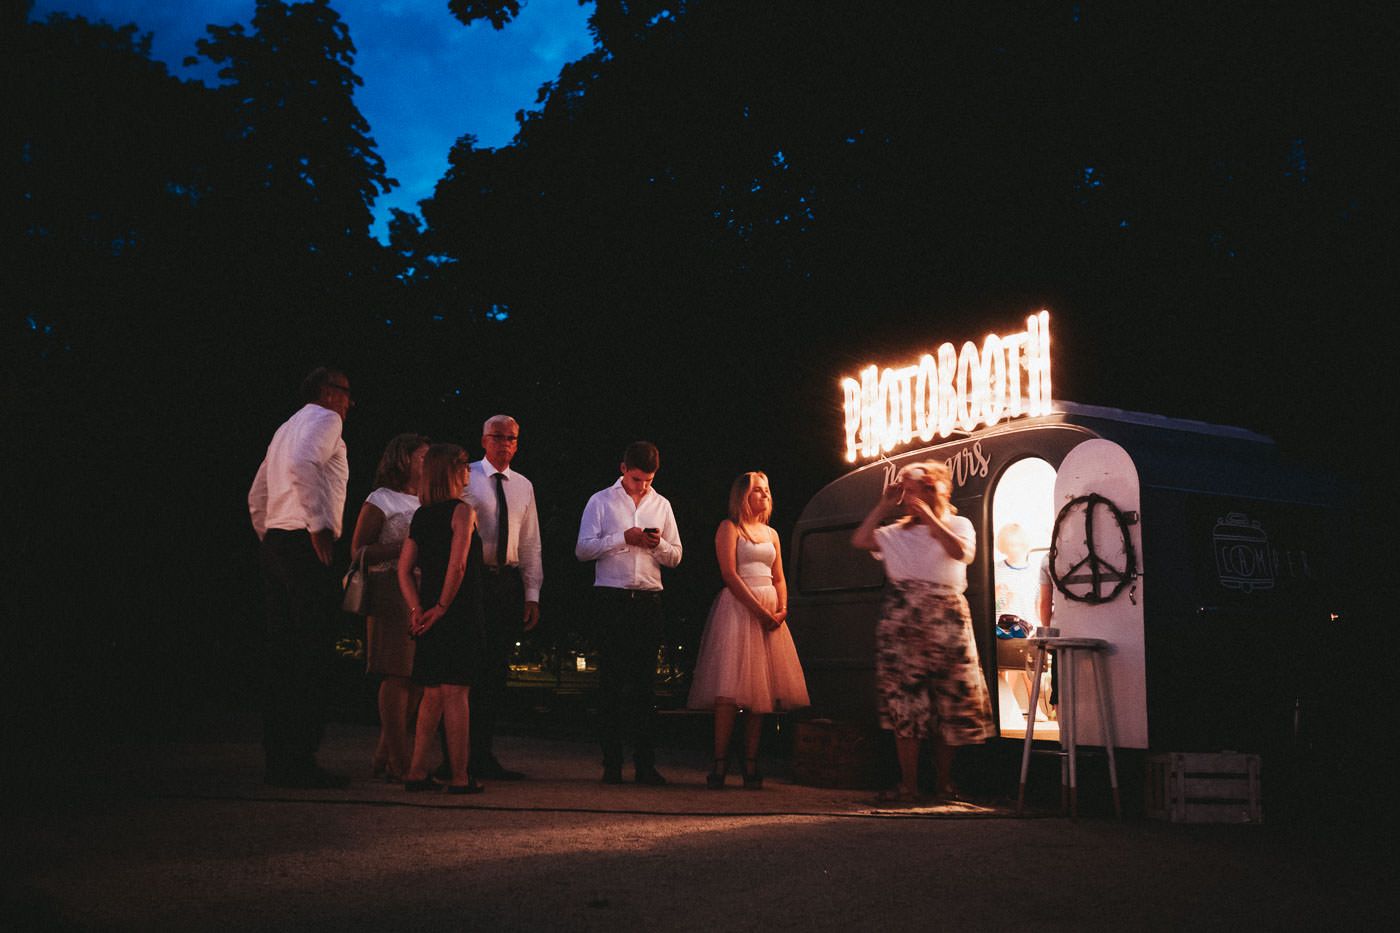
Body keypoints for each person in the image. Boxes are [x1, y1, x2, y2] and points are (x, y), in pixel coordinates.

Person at [852, 460, 994, 803]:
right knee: (906, 703)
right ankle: (909, 785)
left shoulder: (958, 524)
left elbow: (962, 553)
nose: (906, 494)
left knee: (950, 702)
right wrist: (885, 505)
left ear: (935, 489)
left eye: (912, 487)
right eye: (903, 488)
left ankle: (944, 784)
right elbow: (859, 539)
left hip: (946, 617)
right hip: (903, 620)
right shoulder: (894, 533)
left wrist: (931, 516)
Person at [248, 367, 353, 789]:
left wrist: (269, 533)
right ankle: (300, 758)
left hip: (277, 542)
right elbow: (301, 463)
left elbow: (257, 492)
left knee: (282, 654)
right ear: (328, 393)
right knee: (312, 653)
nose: (350, 402)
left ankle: (279, 756)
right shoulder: (326, 419)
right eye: (346, 393)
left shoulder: (284, 428)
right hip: (302, 545)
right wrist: (316, 527)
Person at [687, 472, 809, 789]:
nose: (764, 495)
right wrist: (758, 609)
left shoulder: (772, 534)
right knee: (729, 691)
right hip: (739, 610)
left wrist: (782, 610)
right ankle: (720, 762)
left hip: (769, 609)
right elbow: (729, 573)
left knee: (761, 693)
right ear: (743, 496)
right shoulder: (730, 528)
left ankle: (751, 763)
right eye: (757, 490)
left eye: (767, 490)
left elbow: (779, 576)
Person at [575, 441, 682, 785]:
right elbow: (583, 550)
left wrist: (658, 545)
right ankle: (612, 764)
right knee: (610, 684)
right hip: (611, 598)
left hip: (649, 598)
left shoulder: (661, 505)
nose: (643, 486)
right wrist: (623, 538)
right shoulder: (600, 501)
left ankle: (645, 765)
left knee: (645, 687)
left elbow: (676, 556)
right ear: (623, 469)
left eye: (649, 480)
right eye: (637, 479)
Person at [397, 444, 485, 795]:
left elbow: (404, 570)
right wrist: (444, 607)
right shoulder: (462, 512)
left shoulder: (421, 516)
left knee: (432, 693)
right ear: (452, 472)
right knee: (456, 694)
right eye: (464, 468)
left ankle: (417, 771)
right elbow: (459, 563)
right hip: (457, 611)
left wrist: (418, 608)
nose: (468, 474)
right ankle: (460, 776)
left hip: (429, 611)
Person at [462, 414, 541, 781]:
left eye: (511, 438)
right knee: (467, 668)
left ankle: (483, 752)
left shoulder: (523, 485)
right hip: (473, 578)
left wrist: (532, 592)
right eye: (497, 437)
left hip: (505, 580)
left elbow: (529, 542)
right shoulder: (466, 476)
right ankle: (458, 753)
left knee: (495, 671)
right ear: (483, 439)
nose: (504, 444)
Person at [349, 433, 429, 783]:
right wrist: (405, 547)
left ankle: (384, 752)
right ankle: (401, 760)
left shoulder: (429, 500)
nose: (428, 463)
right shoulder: (381, 499)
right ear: (403, 460)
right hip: (389, 589)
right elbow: (359, 551)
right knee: (396, 672)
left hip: (423, 590)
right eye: (422, 457)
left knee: (418, 677)